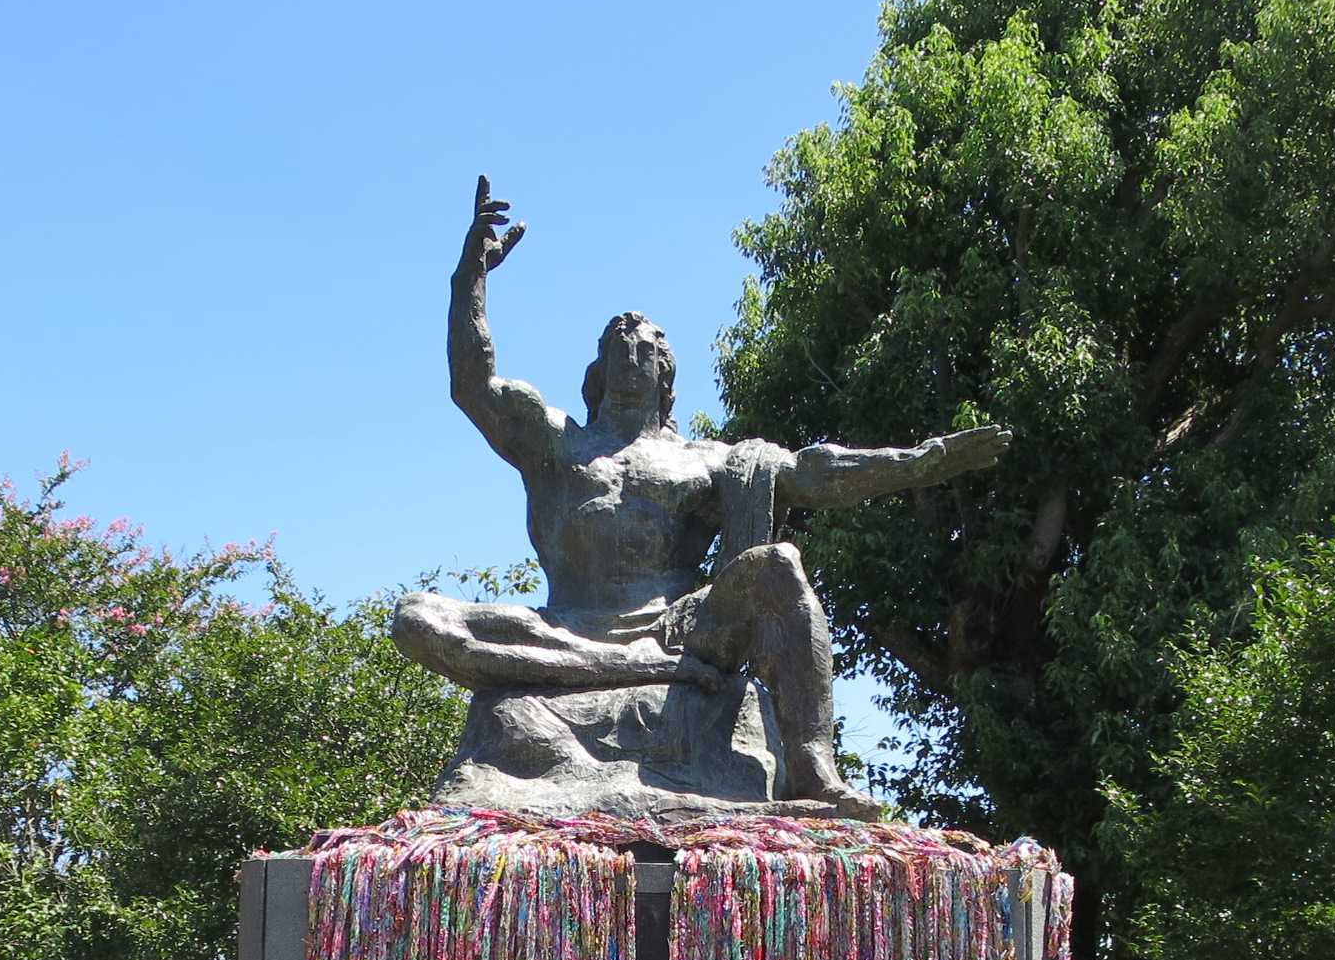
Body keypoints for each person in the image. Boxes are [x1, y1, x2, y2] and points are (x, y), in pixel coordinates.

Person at [391, 177, 1010, 817]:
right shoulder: (555, 443)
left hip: (678, 634)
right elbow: (474, 383)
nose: (631, 347)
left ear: (666, 372)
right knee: (415, 616)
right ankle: (614, 673)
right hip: (566, 631)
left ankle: (812, 766)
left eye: (647, 345)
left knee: (777, 566)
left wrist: (920, 461)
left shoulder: (708, 460)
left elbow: (813, 472)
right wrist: (471, 277)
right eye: (615, 342)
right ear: (597, 369)